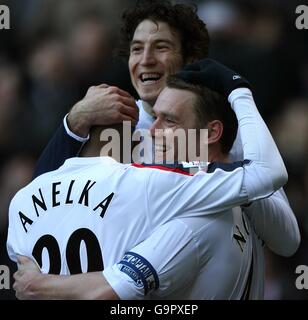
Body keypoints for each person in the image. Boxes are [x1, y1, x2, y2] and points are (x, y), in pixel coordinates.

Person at [16, 0, 299, 296]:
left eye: (161, 47)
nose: (146, 59)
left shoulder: (224, 133)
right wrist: (74, 122)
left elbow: (287, 240)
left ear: (190, 59)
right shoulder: (108, 131)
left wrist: (220, 171)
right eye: (137, 49)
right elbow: (40, 201)